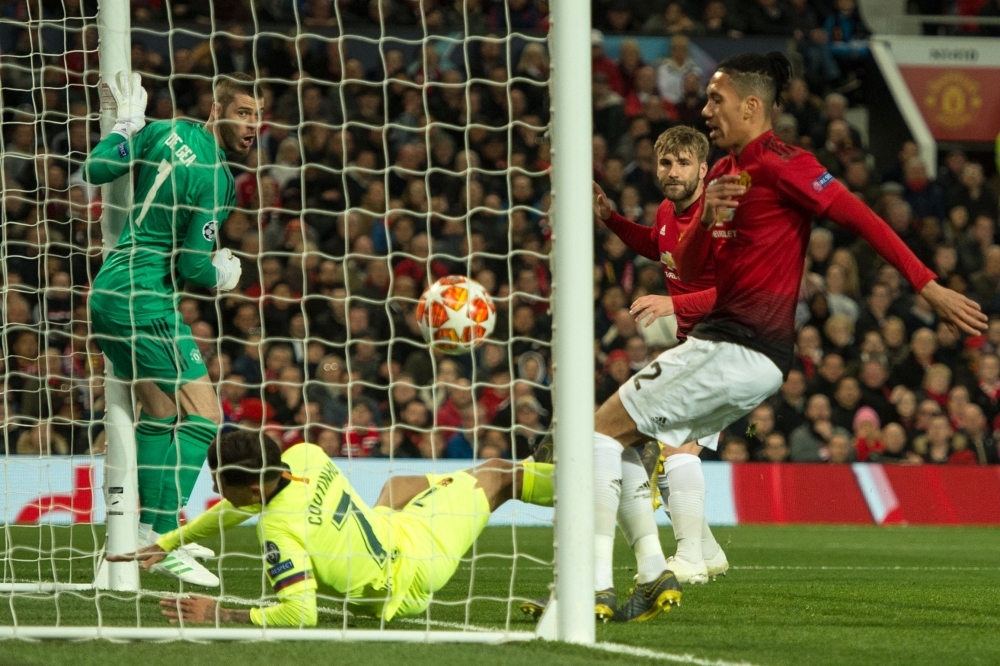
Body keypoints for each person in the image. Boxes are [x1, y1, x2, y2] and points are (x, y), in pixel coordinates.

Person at [572, 51, 986, 624]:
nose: (706, 108)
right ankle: (670, 561)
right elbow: (685, 257)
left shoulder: (787, 164)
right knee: (635, 444)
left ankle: (596, 584)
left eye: (716, 99)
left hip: (735, 345)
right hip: (739, 352)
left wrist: (927, 284)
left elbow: (862, 218)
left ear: (751, 105)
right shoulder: (718, 176)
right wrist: (703, 216)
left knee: (598, 435)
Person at [83, 71, 261, 586]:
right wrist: (226, 273)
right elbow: (192, 267)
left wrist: (126, 126)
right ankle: (157, 535)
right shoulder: (215, 176)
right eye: (244, 112)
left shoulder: (164, 130)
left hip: (112, 291)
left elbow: (96, 168)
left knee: (160, 414)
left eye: (258, 116)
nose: (253, 125)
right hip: (146, 302)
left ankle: (143, 531)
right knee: (204, 416)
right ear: (217, 108)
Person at [108, 431, 554, 626]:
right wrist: (170, 541)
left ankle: (586, 479)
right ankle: (562, 472)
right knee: (496, 474)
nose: (213, 487)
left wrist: (218, 614)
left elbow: (299, 613)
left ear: (251, 485)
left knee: (412, 481)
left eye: (219, 480)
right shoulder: (303, 456)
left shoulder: (278, 532)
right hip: (405, 564)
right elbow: (238, 507)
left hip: (411, 556)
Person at [590, 126, 725, 588]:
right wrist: (610, 217)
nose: (672, 172)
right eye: (665, 163)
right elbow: (657, 245)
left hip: (730, 343)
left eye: (683, 163)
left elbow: (738, 292)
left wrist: (673, 304)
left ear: (703, 169)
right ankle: (706, 548)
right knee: (651, 444)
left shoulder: (719, 219)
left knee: (674, 448)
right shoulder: (669, 210)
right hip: (695, 345)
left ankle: (689, 558)